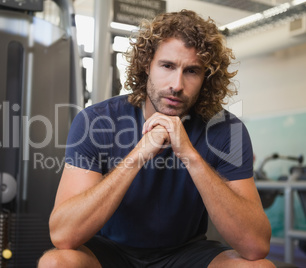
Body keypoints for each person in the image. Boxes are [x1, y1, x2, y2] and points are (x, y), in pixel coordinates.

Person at [38, 10, 273, 268]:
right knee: (57, 263)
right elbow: (63, 235)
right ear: (146, 64)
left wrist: (190, 155)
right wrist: (138, 155)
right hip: (111, 252)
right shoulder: (95, 122)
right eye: (167, 66)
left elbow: (256, 245)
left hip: (186, 252)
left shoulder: (227, 131)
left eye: (192, 71)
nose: (177, 84)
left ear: (206, 78)